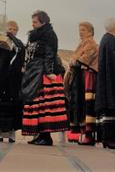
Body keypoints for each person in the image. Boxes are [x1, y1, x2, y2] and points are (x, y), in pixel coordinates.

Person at [21, 10, 69, 146]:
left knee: (44, 106)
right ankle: (40, 135)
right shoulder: (34, 36)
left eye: (35, 22)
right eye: (32, 22)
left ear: (44, 22)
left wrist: (49, 72)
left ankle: (46, 136)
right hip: (34, 71)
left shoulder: (49, 35)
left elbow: (49, 54)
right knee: (38, 105)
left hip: (43, 73)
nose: (33, 24)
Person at [0, 20, 25, 143]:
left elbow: (22, 49)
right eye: (9, 28)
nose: (11, 31)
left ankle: (12, 133)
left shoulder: (17, 45)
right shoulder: (0, 43)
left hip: (13, 80)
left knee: (12, 105)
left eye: (13, 29)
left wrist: (11, 37)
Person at [95, 18, 115, 149]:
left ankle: (109, 139)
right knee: (113, 109)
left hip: (106, 82)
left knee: (108, 110)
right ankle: (113, 139)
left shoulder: (105, 39)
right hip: (112, 83)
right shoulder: (111, 41)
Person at [65, 22, 99, 145]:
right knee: (80, 105)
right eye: (80, 30)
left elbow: (82, 61)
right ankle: (83, 133)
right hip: (80, 79)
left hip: (86, 79)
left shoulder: (91, 44)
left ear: (90, 31)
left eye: (83, 30)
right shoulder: (82, 44)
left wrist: (73, 61)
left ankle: (88, 135)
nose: (81, 32)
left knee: (86, 106)